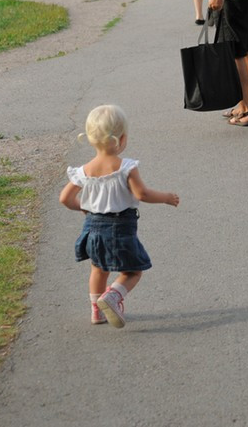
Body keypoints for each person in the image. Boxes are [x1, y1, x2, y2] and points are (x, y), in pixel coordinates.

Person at [59, 104, 180, 328]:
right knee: (133, 271)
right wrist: (165, 197)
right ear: (121, 138)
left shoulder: (84, 171)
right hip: (120, 228)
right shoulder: (126, 167)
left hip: (92, 228)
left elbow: (65, 198)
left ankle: (97, 311)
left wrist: (84, 208)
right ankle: (113, 295)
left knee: (98, 268)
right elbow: (142, 194)